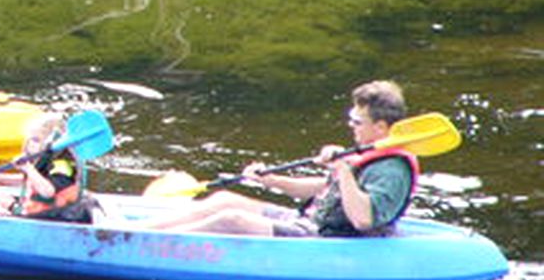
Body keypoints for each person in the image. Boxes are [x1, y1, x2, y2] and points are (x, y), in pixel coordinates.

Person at [149, 80, 417, 237]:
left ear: (381, 127)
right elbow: (324, 188)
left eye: (357, 121)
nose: (351, 125)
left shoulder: (393, 170)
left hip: (325, 238)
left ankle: (149, 246)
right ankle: (137, 231)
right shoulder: (368, 150)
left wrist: (344, 171)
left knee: (232, 220)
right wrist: (273, 181)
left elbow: (363, 220)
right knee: (224, 200)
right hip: (308, 219)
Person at [0, 112, 93, 222]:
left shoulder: (61, 167)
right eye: (29, 139)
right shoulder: (45, 161)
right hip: (40, 212)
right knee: (0, 196)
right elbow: (31, 181)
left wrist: (28, 168)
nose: (29, 144)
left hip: (52, 217)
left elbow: (48, 192)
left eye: (36, 140)